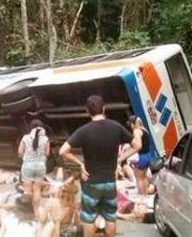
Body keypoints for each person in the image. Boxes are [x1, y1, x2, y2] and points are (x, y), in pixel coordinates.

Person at [60, 95, 141, 237]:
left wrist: (80, 164)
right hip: (110, 182)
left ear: (87, 111)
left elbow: (63, 151)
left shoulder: (83, 131)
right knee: (111, 218)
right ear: (104, 109)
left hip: (91, 183)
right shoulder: (116, 127)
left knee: (89, 219)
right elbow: (137, 145)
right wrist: (118, 159)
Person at [18, 119, 50, 212]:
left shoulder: (25, 138)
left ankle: (26, 211)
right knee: (37, 189)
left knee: (27, 190)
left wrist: (26, 157)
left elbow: (20, 152)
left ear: (31, 128)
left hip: (27, 165)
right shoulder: (46, 139)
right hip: (40, 166)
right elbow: (47, 153)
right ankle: (36, 212)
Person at [118, 116, 152, 196]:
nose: (130, 126)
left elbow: (138, 145)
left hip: (141, 156)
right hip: (148, 155)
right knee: (144, 177)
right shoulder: (144, 130)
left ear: (133, 124)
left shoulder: (136, 131)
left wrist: (126, 154)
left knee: (139, 179)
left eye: (130, 124)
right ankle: (145, 195)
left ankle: (142, 196)